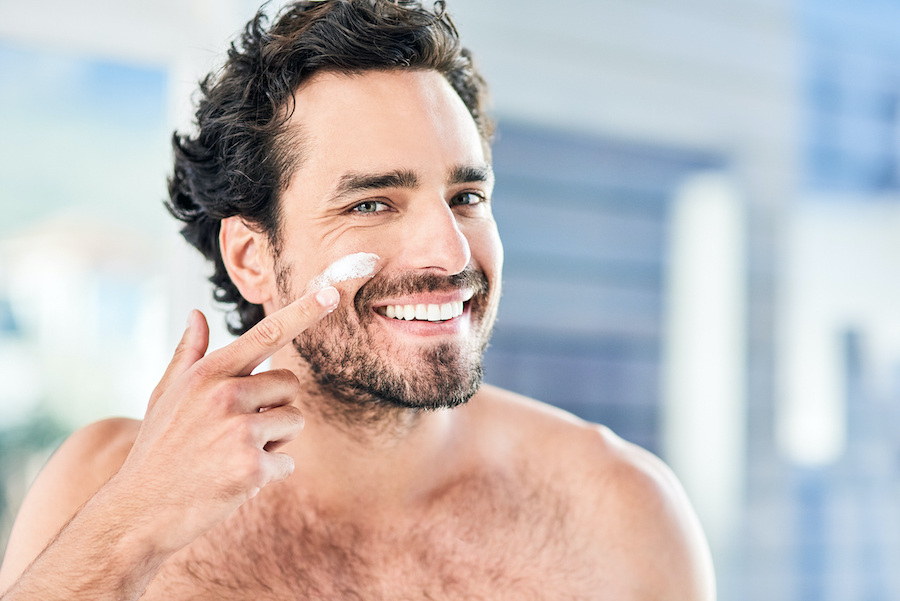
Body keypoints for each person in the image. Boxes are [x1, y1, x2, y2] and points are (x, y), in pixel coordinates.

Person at [0, 1, 716, 598]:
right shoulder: (106, 488)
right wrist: (132, 526)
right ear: (252, 257)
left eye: (467, 196)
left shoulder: (624, 512)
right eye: (373, 203)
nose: (451, 252)